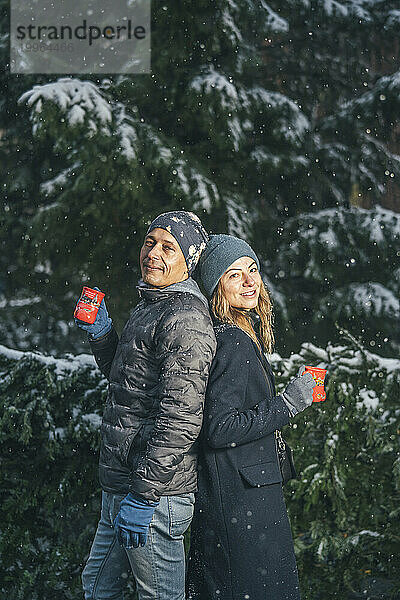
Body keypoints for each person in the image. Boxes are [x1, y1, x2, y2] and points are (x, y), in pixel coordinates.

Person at [75, 211, 216, 600]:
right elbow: (130, 389)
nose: (152, 253)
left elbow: (181, 417)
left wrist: (144, 494)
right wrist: (104, 337)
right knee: (99, 588)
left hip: (154, 495)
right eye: (149, 242)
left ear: (189, 261)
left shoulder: (185, 318)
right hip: (122, 484)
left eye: (168, 247)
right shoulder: (151, 305)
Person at [186, 234, 316, 600]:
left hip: (241, 495)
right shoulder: (234, 341)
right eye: (234, 275)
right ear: (216, 289)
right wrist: (287, 405)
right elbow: (219, 427)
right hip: (240, 501)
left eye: (253, 269)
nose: (249, 281)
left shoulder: (237, 335)